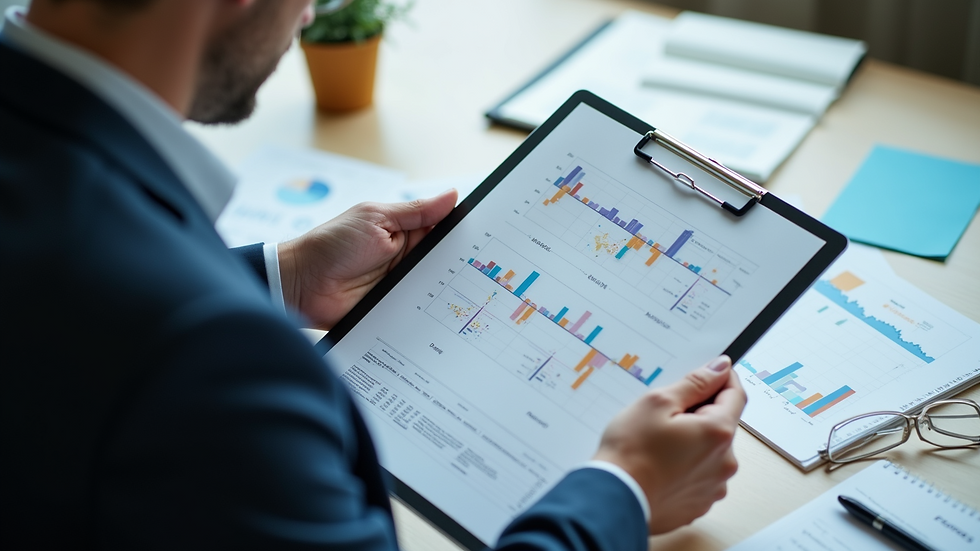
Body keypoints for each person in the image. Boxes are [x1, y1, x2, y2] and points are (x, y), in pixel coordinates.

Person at [0, 1, 747, 549]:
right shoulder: (210, 359)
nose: (310, 14)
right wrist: (625, 487)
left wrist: (286, 276)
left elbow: (73, 308)